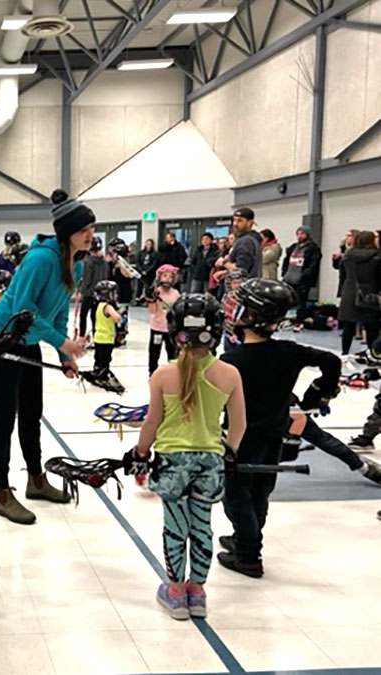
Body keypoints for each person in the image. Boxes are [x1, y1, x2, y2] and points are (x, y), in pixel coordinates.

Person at [126, 293, 245, 620]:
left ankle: (176, 591)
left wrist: (140, 452)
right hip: (210, 461)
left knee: (175, 527)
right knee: (202, 525)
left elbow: (152, 421)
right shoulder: (229, 374)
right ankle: (198, 591)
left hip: (171, 462)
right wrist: (229, 453)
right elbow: (239, 424)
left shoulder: (163, 374)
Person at [218, 279, 340, 577]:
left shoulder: (231, 360)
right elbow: (331, 361)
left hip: (239, 439)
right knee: (260, 492)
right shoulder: (289, 351)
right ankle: (245, 537)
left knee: (236, 496)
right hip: (275, 435)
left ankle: (248, 555)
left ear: (250, 316)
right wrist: (318, 393)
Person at [0, 189, 91, 524]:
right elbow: (23, 309)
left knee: (31, 413)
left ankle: (36, 480)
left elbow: (58, 311)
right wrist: (63, 342)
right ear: (67, 232)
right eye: (84, 229)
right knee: (2, 419)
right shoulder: (41, 259)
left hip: (27, 338)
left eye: (91, 228)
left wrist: (64, 353)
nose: (90, 235)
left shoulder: (75, 262)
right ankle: (2, 493)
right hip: (3, 339)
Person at [337, 230, 381, 355]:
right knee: (371, 328)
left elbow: (342, 275)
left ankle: (344, 353)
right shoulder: (377, 257)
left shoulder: (348, 255)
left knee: (348, 327)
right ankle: (372, 354)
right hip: (370, 294)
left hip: (349, 292)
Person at [282, 225, 323, 325]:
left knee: (301, 302)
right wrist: (284, 272)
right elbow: (286, 260)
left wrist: (304, 275)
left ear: (307, 235)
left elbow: (313, 264)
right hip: (289, 278)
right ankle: (286, 318)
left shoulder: (312, 248)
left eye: (302, 234)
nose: (300, 236)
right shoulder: (293, 247)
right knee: (287, 300)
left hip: (302, 280)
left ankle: (299, 320)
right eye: (298, 234)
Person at [147, 265, 180, 375]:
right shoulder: (156, 292)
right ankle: (152, 372)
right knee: (154, 352)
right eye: (165, 276)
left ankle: (174, 372)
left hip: (171, 329)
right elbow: (152, 311)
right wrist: (151, 299)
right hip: (157, 327)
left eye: (170, 277)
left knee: (173, 352)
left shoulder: (175, 293)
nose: (167, 279)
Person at [91, 280, 124, 387]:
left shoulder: (98, 306)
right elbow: (117, 318)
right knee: (106, 359)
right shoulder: (108, 307)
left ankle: (97, 372)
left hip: (98, 337)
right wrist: (120, 314)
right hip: (106, 338)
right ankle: (103, 377)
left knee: (98, 358)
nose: (116, 295)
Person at [78, 236, 107, 337]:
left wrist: (81, 291)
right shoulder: (104, 261)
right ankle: (96, 336)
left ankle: (81, 336)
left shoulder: (89, 261)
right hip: (100, 294)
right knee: (95, 316)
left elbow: (87, 280)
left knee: (83, 315)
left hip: (89, 293)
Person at [226, 208, 263, 280]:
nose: (235, 224)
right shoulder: (246, 239)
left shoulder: (246, 241)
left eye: (240, 220)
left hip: (244, 284)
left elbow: (241, 270)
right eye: (234, 220)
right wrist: (225, 273)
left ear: (249, 223)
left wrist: (223, 263)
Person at [331, 230, 357, 298]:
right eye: (346, 236)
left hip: (352, 281)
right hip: (343, 279)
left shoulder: (356, 251)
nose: (346, 238)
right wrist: (336, 259)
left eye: (349, 236)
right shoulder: (345, 249)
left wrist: (344, 257)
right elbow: (337, 267)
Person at [136, 238, 158, 303]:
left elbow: (154, 264)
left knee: (148, 287)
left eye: (150, 244)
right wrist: (141, 270)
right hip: (140, 272)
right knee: (139, 286)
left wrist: (147, 271)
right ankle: (137, 299)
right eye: (147, 244)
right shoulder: (141, 253)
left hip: (149, 273)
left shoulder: (155, 254)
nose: (148, 245)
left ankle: (148, 300)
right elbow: (137, 262)